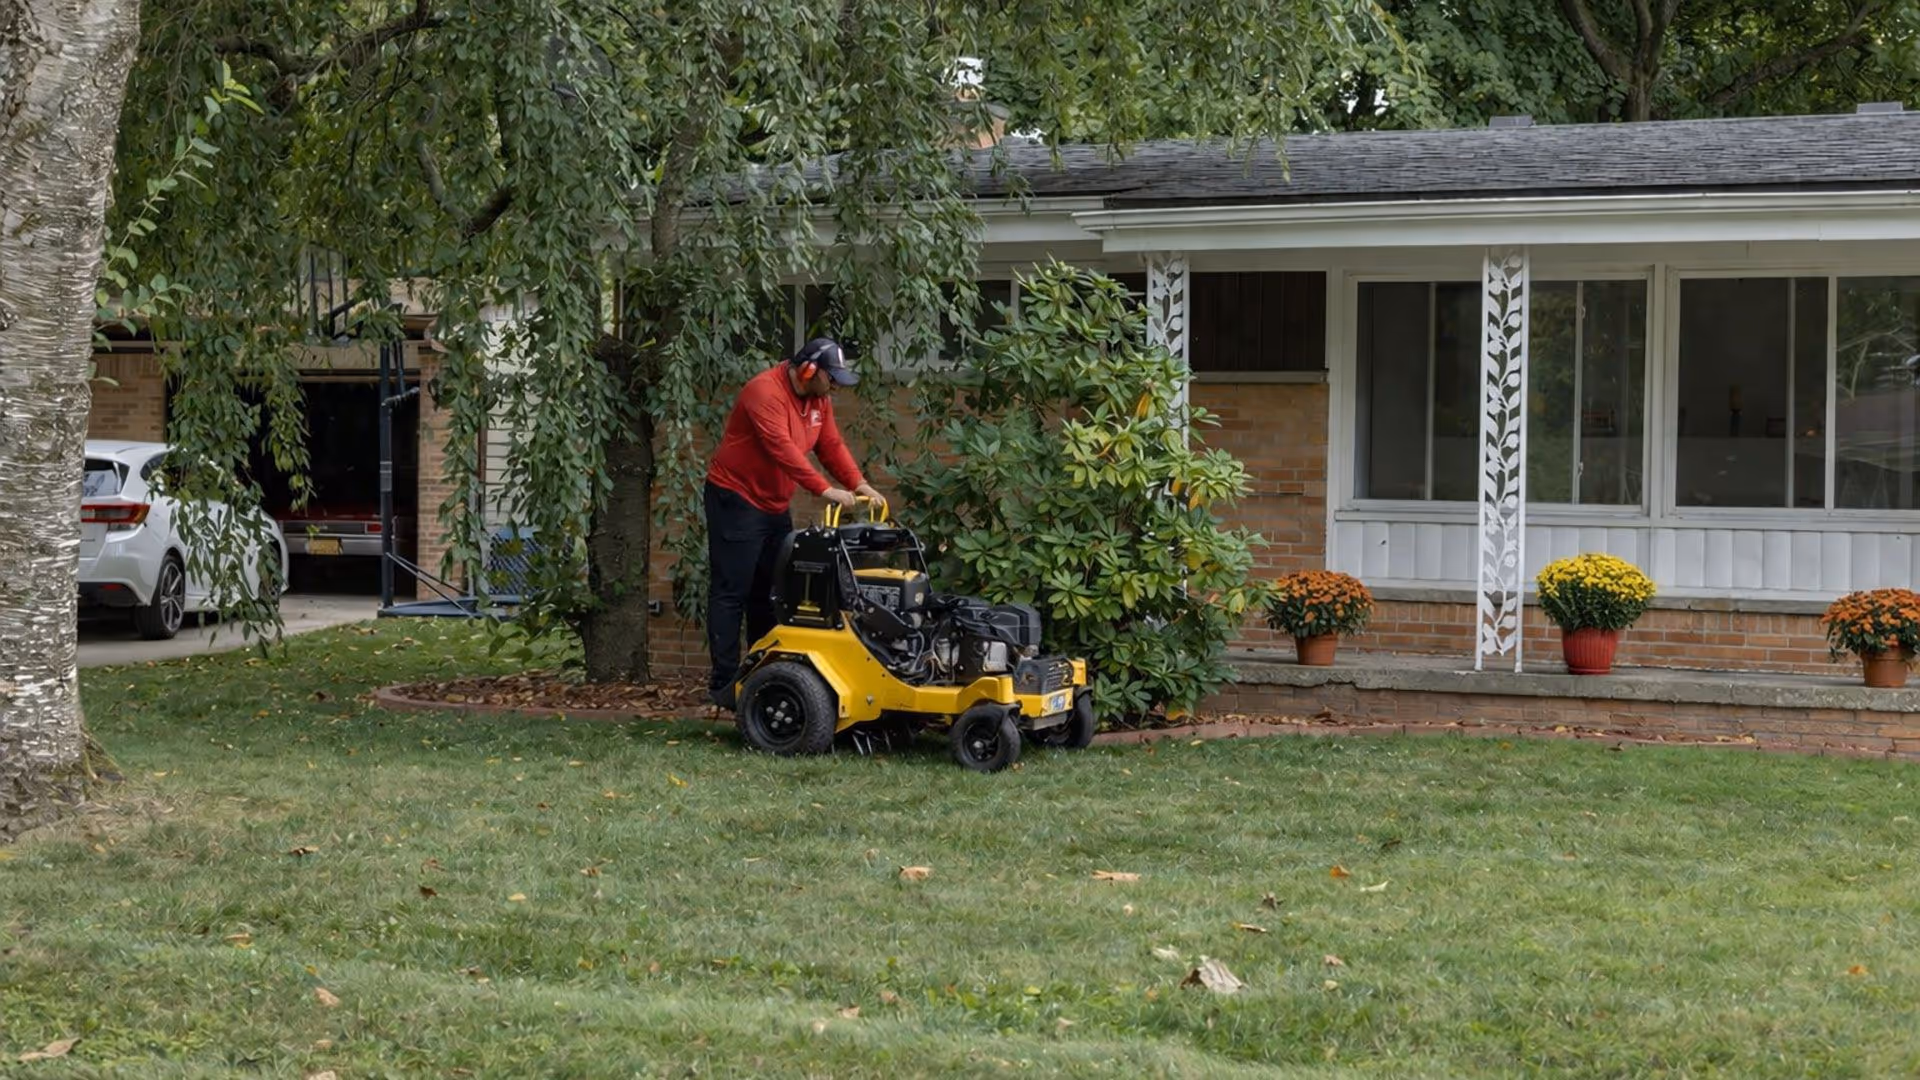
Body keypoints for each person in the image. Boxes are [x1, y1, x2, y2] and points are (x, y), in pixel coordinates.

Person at [703, 337, 883, 709]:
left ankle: (761, 679)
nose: (835, 386)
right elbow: (781, 449)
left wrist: (858, 483)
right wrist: (824, 489)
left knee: (770, 593)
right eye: (831, 378)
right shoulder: (763, 392)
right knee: (731, 591)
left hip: (774, 503)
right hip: (736, 498)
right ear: (807, 371)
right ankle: (724, 686)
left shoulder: (820, 400)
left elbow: (829, 445)